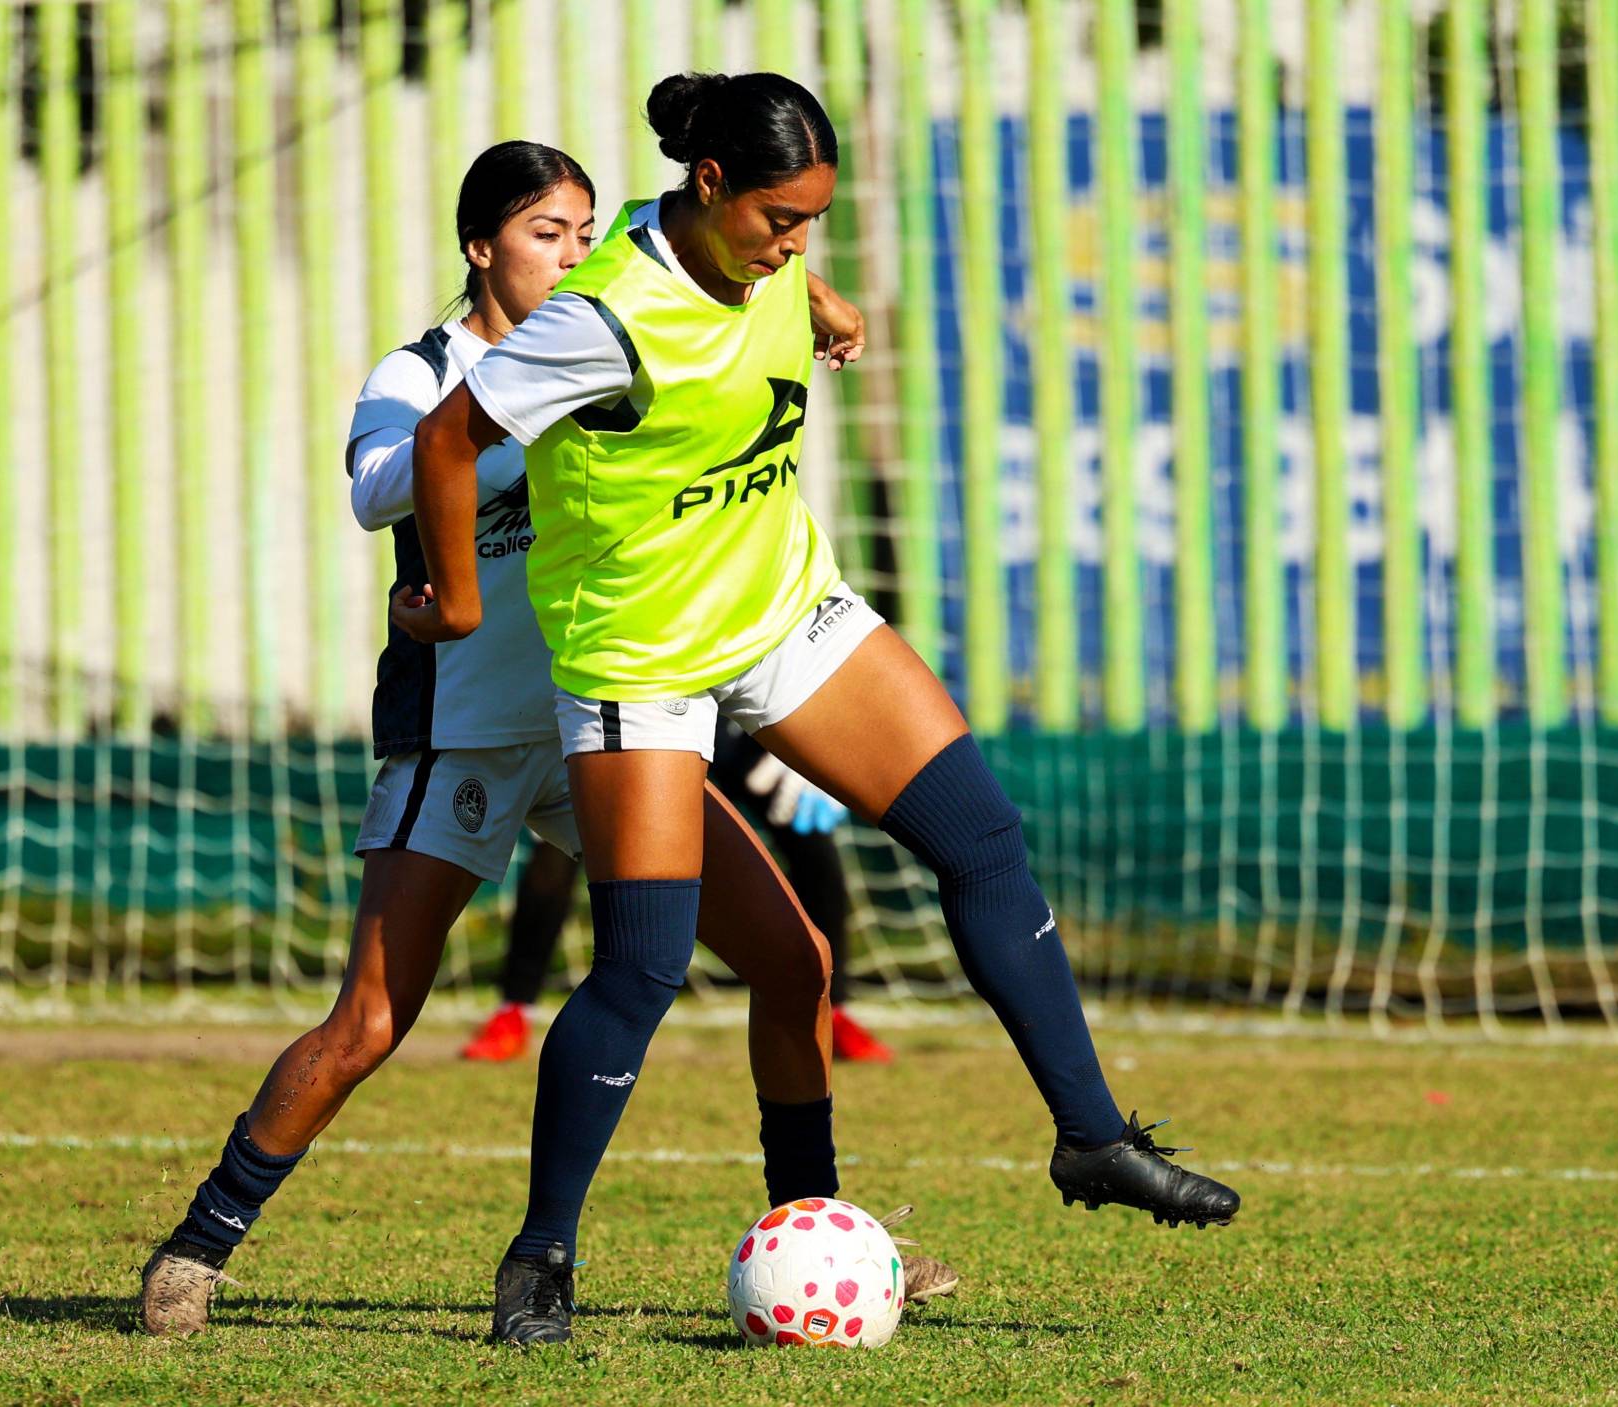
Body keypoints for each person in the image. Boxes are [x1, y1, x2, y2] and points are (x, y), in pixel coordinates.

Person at [400, 73, 1242, 1347]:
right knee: (641, 966)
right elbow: (447, 441)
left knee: (981, 839)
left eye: (814, 223)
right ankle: (539, 1259)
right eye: (780, 220)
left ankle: (1088, 1138)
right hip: (641, 657)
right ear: (711, 187)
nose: (795, 244)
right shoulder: (601, 318)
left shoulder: (747, 251)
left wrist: (818, 293)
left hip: (783, 608)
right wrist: (458, 605)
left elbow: (748, 268)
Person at [138, 140, 954, 1337]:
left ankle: (816, 1237)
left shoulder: (611, 326)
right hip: (463, 739)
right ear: (481, 249)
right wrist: (529, 420)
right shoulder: (430, 371)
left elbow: (686, 237)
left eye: (581, 233)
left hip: (610, 727)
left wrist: (811, 293)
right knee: (370, 1022)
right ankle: (199, 1245)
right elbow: (379, 485)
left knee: (796, 964)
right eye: (541, 234)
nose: (571, 254)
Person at [462, 719, 897, 1064]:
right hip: (641, 715)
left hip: (729, 715)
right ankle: (514, 1010)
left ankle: (833, 1010)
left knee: (809, 833)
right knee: (556, 848)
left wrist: (800, 739)